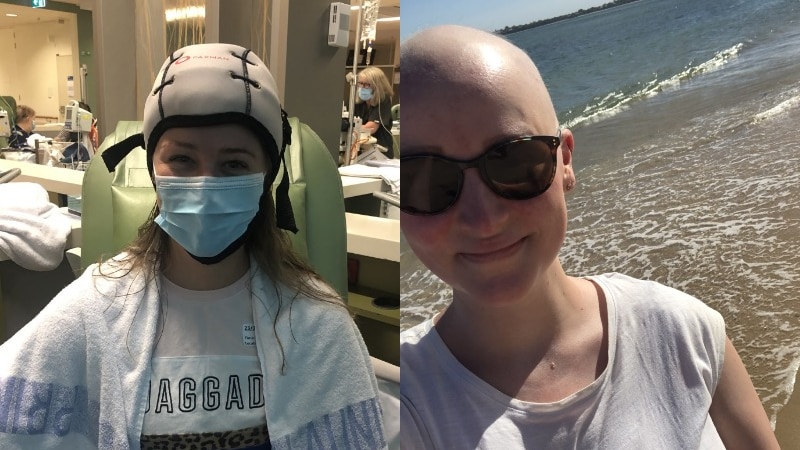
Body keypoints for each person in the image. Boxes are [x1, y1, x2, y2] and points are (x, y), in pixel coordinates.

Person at [399, 25, 779, 449]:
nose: (483, 218)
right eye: (427, 180)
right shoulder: (396, 404)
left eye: (514, 160)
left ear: (564, 159)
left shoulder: (682, 332)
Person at [0, 43, 386, 449]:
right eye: (182, 160)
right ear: (152, 169)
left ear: (267, 176)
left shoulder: (316, 321)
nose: (205, 184)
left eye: (234, 164)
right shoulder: (94, 308)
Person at [353, 66, 395, 159]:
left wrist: (352, 130)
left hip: (380, 150)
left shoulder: (383, 100)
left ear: (377, 86)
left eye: (367, 84)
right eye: (360, 83)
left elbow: (371, 128)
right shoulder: (357, 101)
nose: (362, 87)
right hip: (360, 149)